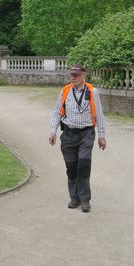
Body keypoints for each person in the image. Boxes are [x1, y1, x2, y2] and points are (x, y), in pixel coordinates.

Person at [49, 64, 107, 213]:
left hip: (86, 134)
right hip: (68, 134)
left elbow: (99, 115)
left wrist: (102, 136)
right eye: (71, 75)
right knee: (71, 167)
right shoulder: (65, 91)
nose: (73, 77)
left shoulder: (93, 92)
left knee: (83, 165)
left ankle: (85, 199)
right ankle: (74, 198)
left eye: (76, 75)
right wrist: (52, 131)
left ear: (83, 75)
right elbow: (57, 112)